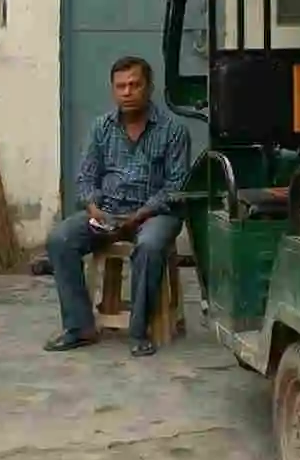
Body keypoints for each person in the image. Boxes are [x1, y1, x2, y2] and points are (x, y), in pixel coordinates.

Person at [44, 55, 192, 357]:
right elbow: (85, 178)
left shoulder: (173, 131)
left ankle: (139, 332)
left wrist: (140, 215)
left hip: (154, 214)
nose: (127, 92)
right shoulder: (102, 128)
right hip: (108, 212)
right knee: (60, 239)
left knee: (150, 247)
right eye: (120, 86)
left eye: (134, 85)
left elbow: (176, 188)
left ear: (149, 88)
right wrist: (93, 207)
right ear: (113, 90)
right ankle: (79, 327)